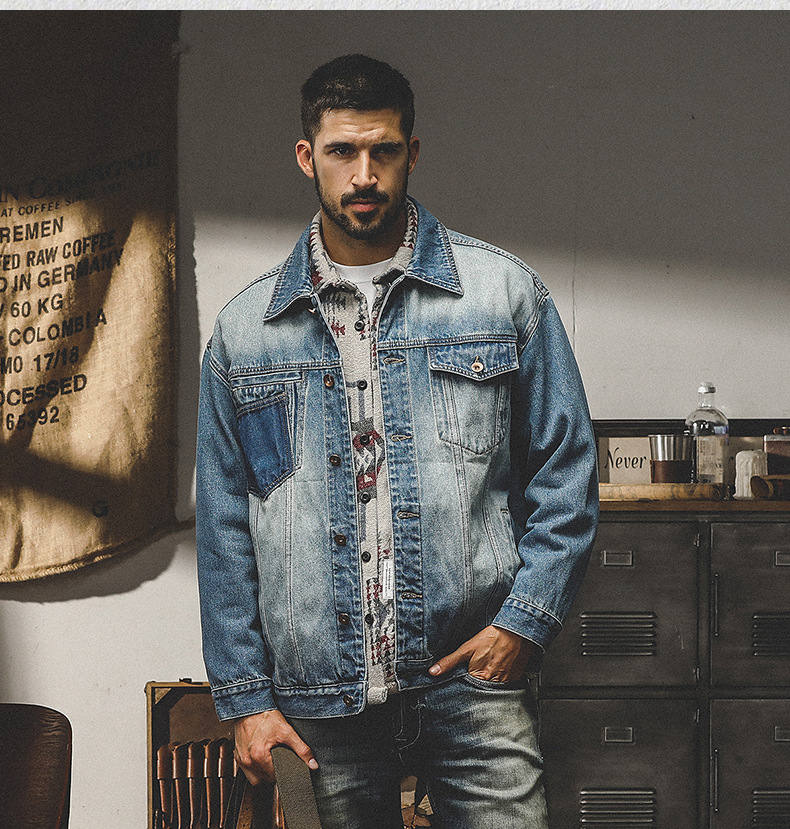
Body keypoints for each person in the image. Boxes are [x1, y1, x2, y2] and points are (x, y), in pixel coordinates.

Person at [196, 54, 598, 829]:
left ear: (412, 152)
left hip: (473, 685)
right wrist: (246, 700)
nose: (364, 174)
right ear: (307, 157)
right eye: (342, 151)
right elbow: (224, 529)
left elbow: (567, 470)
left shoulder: (502, 295)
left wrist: (523, 622)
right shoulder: (246, 333)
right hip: (320, 703)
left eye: (383, 150)